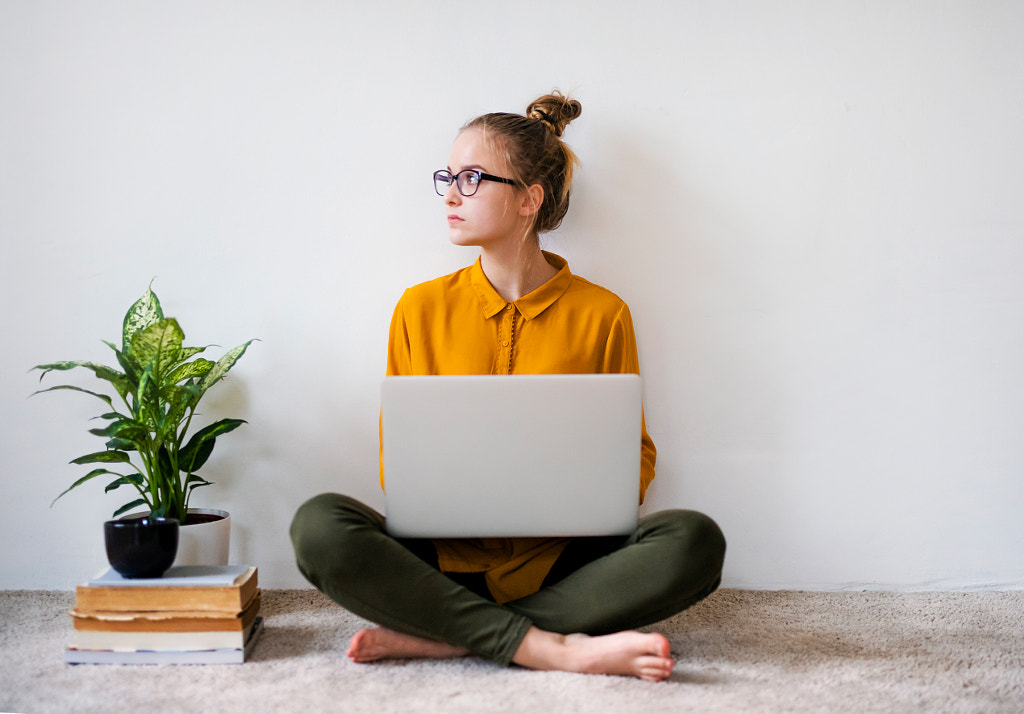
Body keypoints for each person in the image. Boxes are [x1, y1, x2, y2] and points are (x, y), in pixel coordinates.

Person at [290, 91, 726, 682]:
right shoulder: (418, 309)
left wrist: (588, 493)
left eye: (472, 178)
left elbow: (635, 457)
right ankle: (555, 646)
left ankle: (452, 635)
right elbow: (401, 459)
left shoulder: (604, 313)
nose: (449, 193)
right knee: (320, 526)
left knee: (694, 541)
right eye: (448, 176)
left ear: (530, 199)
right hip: (444, 560)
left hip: (565, 560)